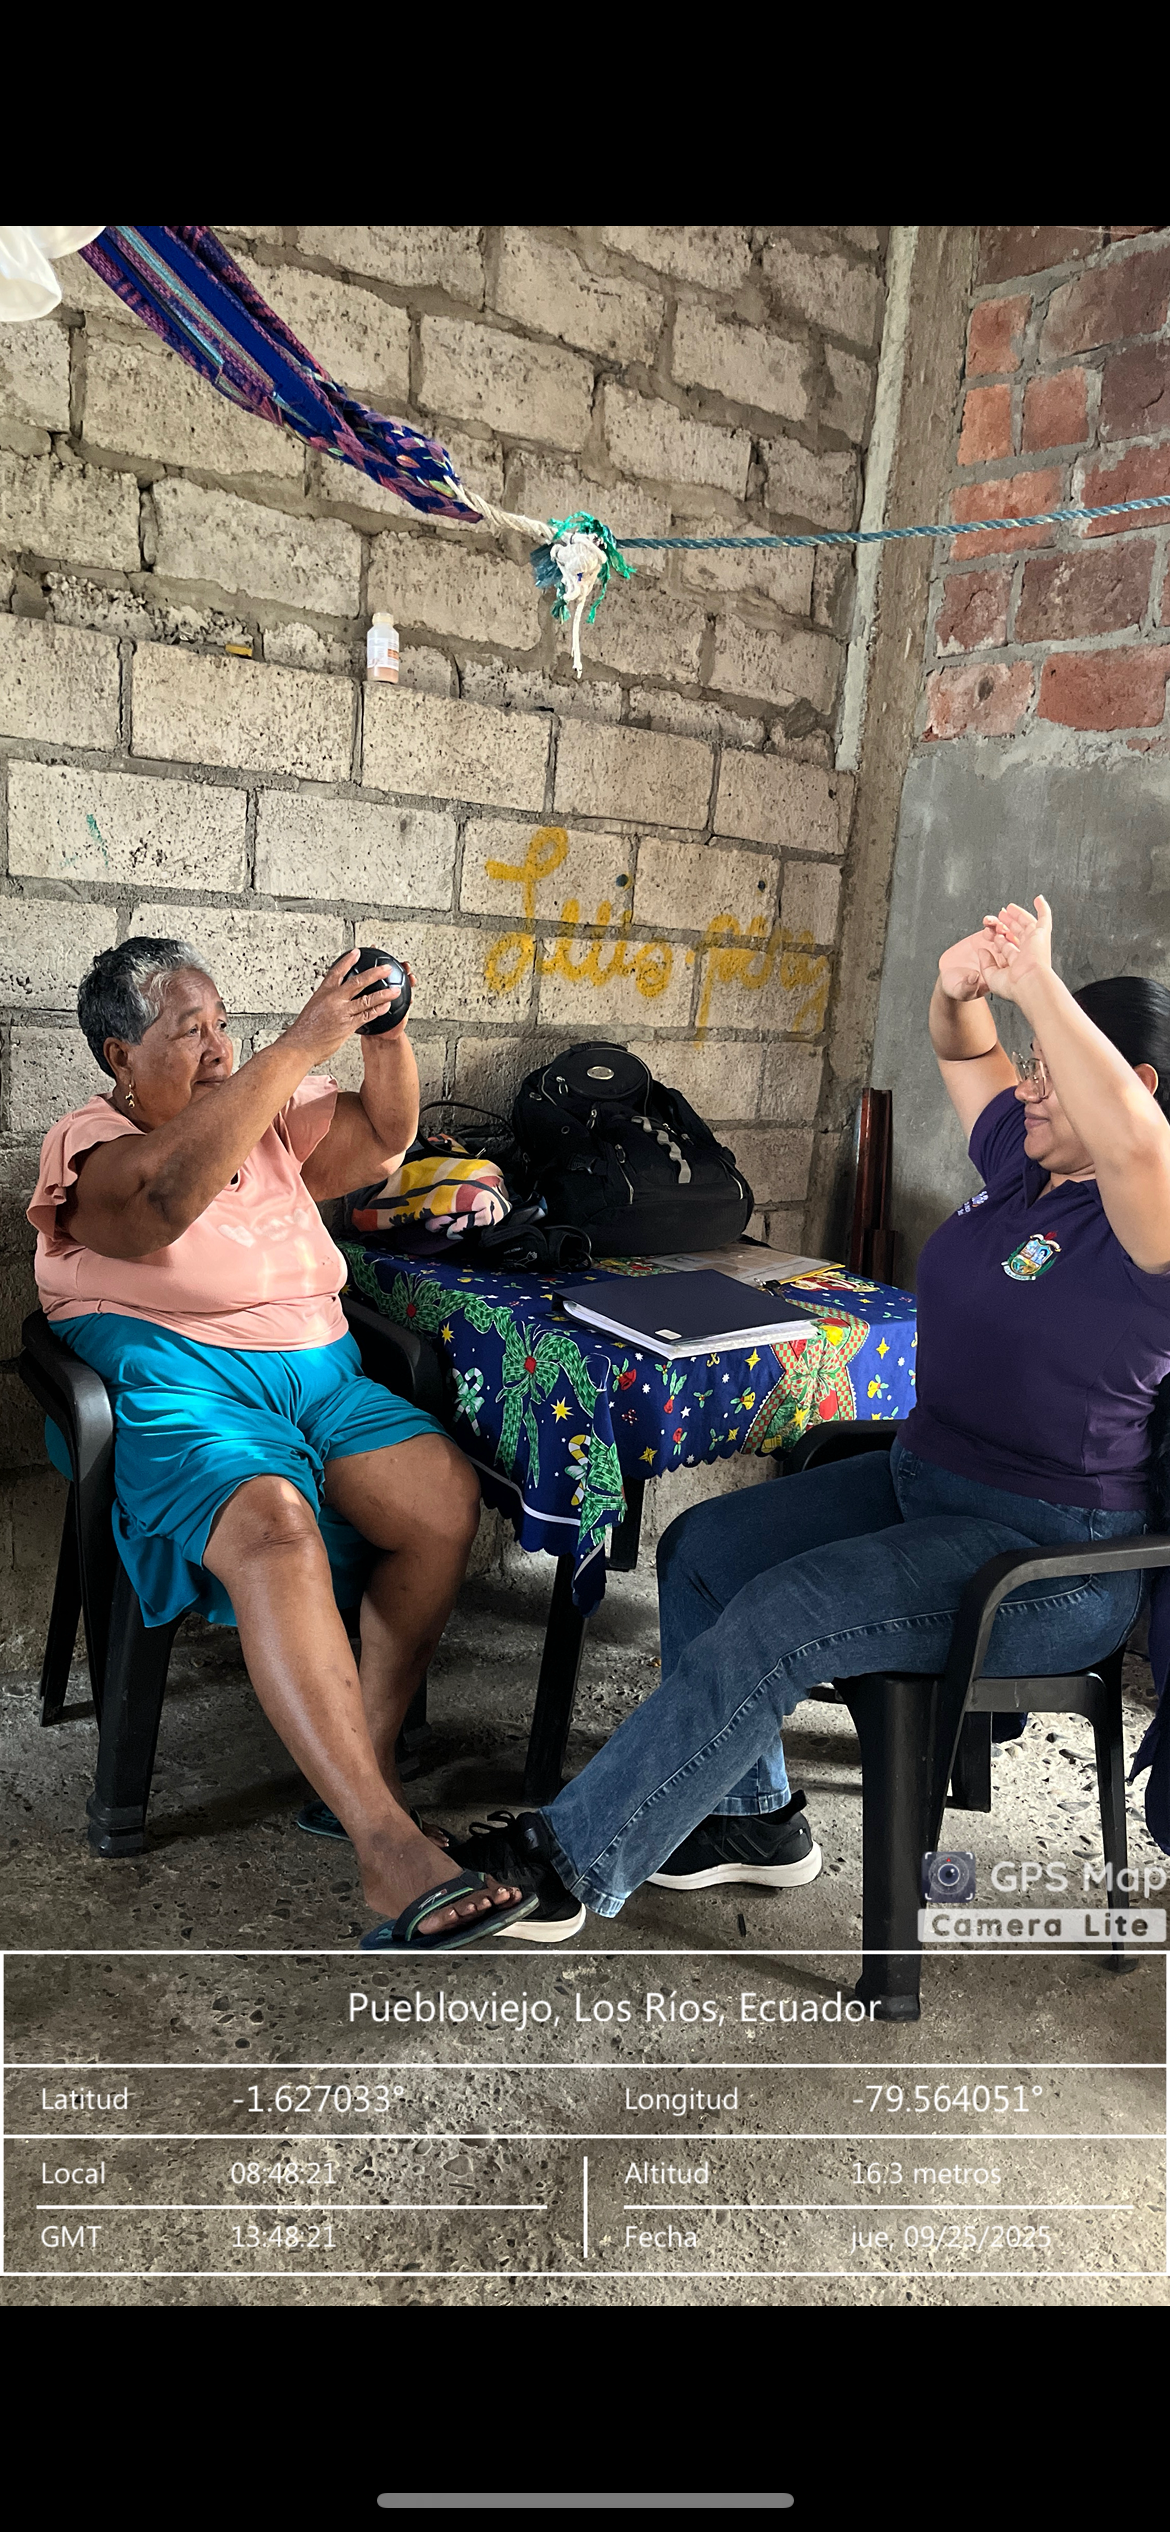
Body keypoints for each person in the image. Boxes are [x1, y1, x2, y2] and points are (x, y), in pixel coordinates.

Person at [449, 895, 1170, 1932]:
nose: (1027, 1084)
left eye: (1051, 1070)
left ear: (1136, 1087)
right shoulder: (1030, 1166)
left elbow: (1140, 1149)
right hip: (924, 1483)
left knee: (789, 1611)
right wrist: (959, 984)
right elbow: (962, 1043)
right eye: (1035, 1066)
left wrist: (1040, 983)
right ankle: (753, 1821)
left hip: (1048, 1556)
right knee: (704, 1550)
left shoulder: (1152, 1218)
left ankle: (566, 1859)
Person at [29, 937, 533, 1951]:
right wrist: (302, 1041)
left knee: (442, 1495)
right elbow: (161, 1205)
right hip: (184, 1386)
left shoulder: (265, 1119)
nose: (220, 1050)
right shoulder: (89, 1145)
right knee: (275, 1524)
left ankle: (360, 1771)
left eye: (225, 1027)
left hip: (320, 1378)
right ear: (119, 1056)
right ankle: (386, 1846)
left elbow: (385, 1137)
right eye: (191, 1032)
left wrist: (382, 1032)